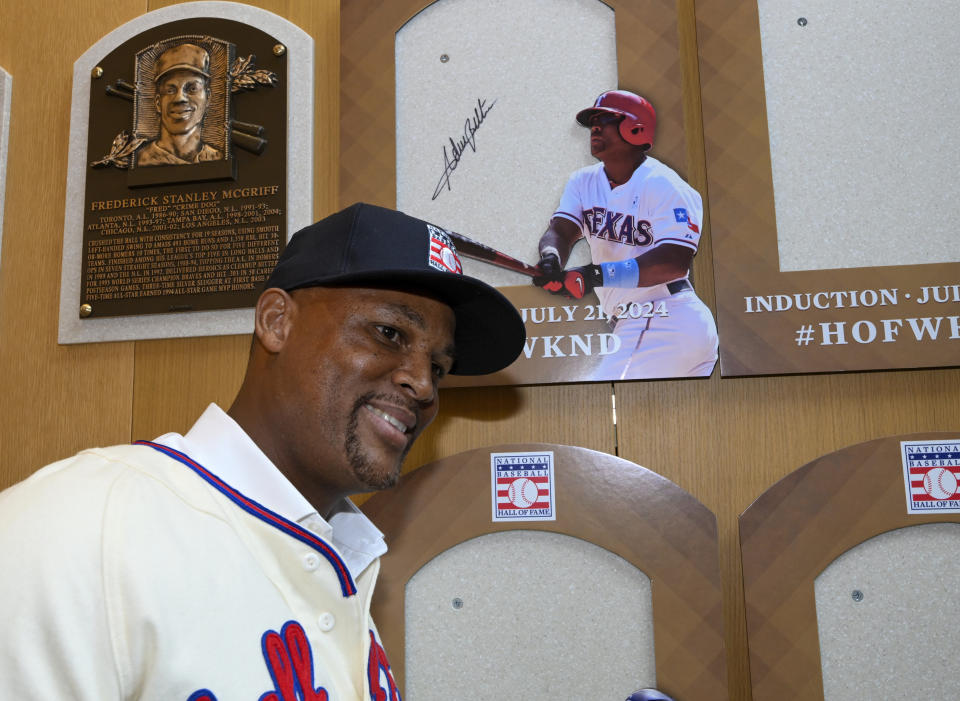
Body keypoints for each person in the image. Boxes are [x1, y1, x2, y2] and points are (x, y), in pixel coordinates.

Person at [0, 203, 525, 699]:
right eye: (388, 333)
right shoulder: (83, 522)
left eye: (438, 366)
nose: (423, 385)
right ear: (277, 322)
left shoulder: (346, 561)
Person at [534, 89, 718, 379]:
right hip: (638, 324)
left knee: (599, 404)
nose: (595, 126)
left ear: (635, 127)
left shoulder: (665, 184)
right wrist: (551, 257)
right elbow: (561, 231)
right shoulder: (583, 182)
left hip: (662, 314)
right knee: (649, 422)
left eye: (604, 118)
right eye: (592, 120)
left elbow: (673, 262)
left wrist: (593, 275)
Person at [137, 43, 223, 166]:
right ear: (157, 102)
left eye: (192, 88)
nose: (179, 98)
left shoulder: (218, 158)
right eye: (170, 90)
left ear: (208, 98)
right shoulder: (141, 160)